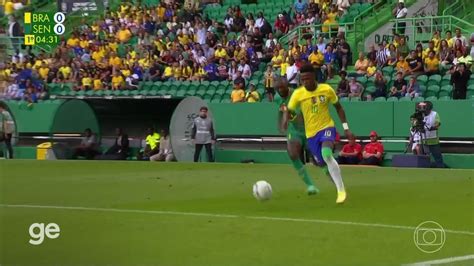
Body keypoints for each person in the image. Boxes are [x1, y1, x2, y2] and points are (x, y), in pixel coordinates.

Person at [285, 63, 354, 203]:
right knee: (322, 164)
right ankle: (337, 186)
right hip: (311, 135)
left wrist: (346, 128)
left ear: (314, 76)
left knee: (327, 154)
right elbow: (289, 110)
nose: (305, 82)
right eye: (303, 79)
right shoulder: (298, 94)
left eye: (308, 79)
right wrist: (289, 118)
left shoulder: (326, 89)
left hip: (327, 127)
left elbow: (339, 108)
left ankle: (341, 190)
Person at [275, 77, 318, 195]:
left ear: (287, 86)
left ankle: (336, 181)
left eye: (282, 88)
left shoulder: (298, 94)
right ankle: (310, 185)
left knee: (319, 160)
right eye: (277, 89)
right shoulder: (277, 98)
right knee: (293, 154)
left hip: (309, 128)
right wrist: (281, 123)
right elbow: (283, 110)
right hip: (293, 130)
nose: (280, 91)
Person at [419, 101, 445, 168]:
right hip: (423, 140)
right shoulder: (420, 114)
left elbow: (438, 124)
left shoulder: (434, 114)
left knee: (437, 156)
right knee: (422, 157)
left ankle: (440, 168)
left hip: (433, 140)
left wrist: (432, 128)